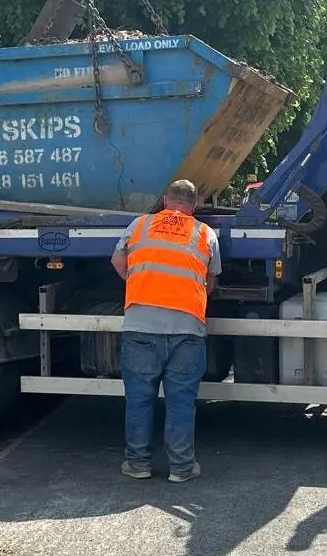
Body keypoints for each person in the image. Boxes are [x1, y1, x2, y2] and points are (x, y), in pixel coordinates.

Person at [111, 178, 220, 483]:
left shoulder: (140, 225)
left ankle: (138, 464)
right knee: (181, 401)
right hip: (187, 328)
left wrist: (141, 282)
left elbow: (118, 261)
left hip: (141, 326)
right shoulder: (204, 233)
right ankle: (182, 467)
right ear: (194, 205)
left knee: (139, 399)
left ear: (165, 201)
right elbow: (210, 281)